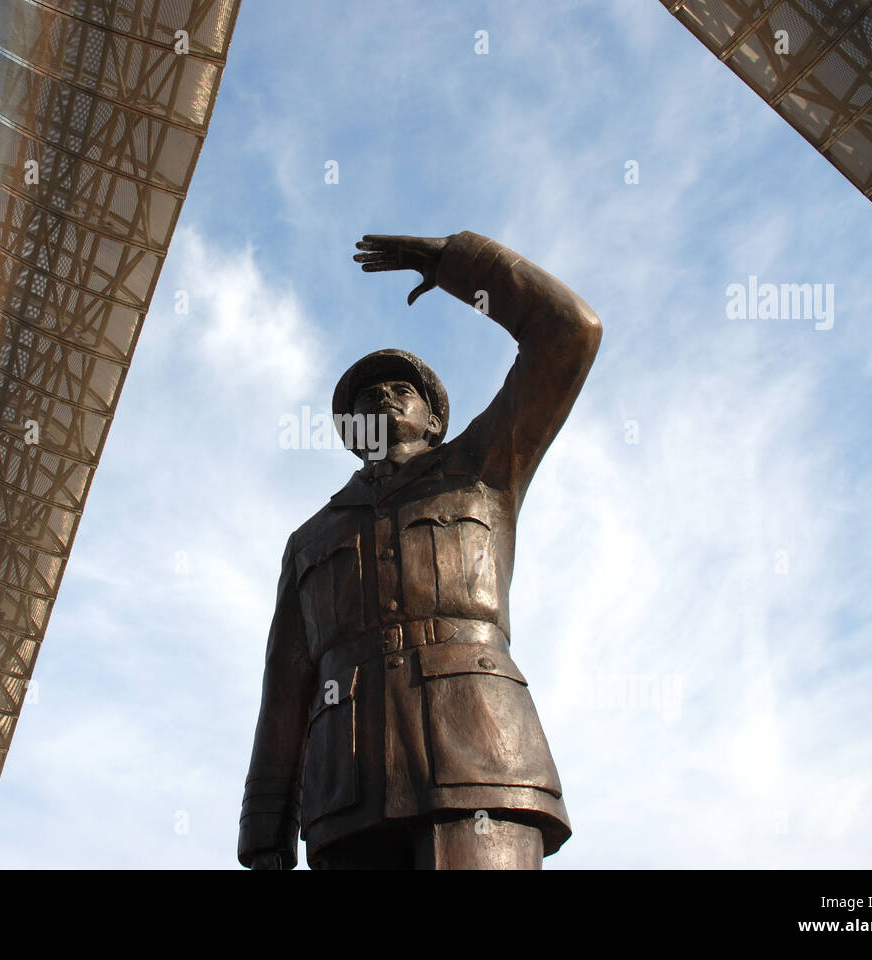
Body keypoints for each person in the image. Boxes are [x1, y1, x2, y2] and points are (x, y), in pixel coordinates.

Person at [239, 231, 602, 869]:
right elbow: (286, 690)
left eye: (400, 391)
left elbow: (569, 332)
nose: (382, 397)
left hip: (482, 762)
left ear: (435, 420)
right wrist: (265, 832)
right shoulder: (310, 541)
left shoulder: (485, 469)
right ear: (350, 435)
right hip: (346, 793)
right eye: (364, 400)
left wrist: (460, 265)